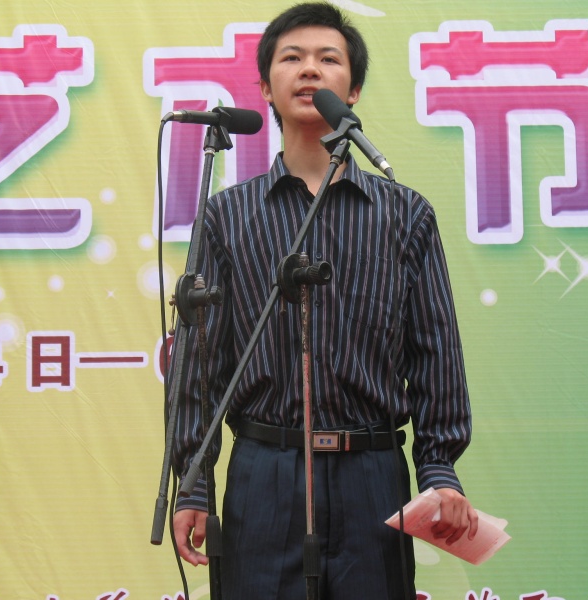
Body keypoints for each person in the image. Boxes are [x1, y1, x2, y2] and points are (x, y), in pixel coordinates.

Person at [170, 3, 477, 598]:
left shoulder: (404, 214)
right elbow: (200, 365)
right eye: (292, 58)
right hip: (264, 473)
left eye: (328, 59)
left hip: (372, 474)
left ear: (352, 90)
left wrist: (440, 470)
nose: (309, 69)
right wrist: (194, 482)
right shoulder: (227, 216)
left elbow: (435, 350)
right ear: (265, 86)